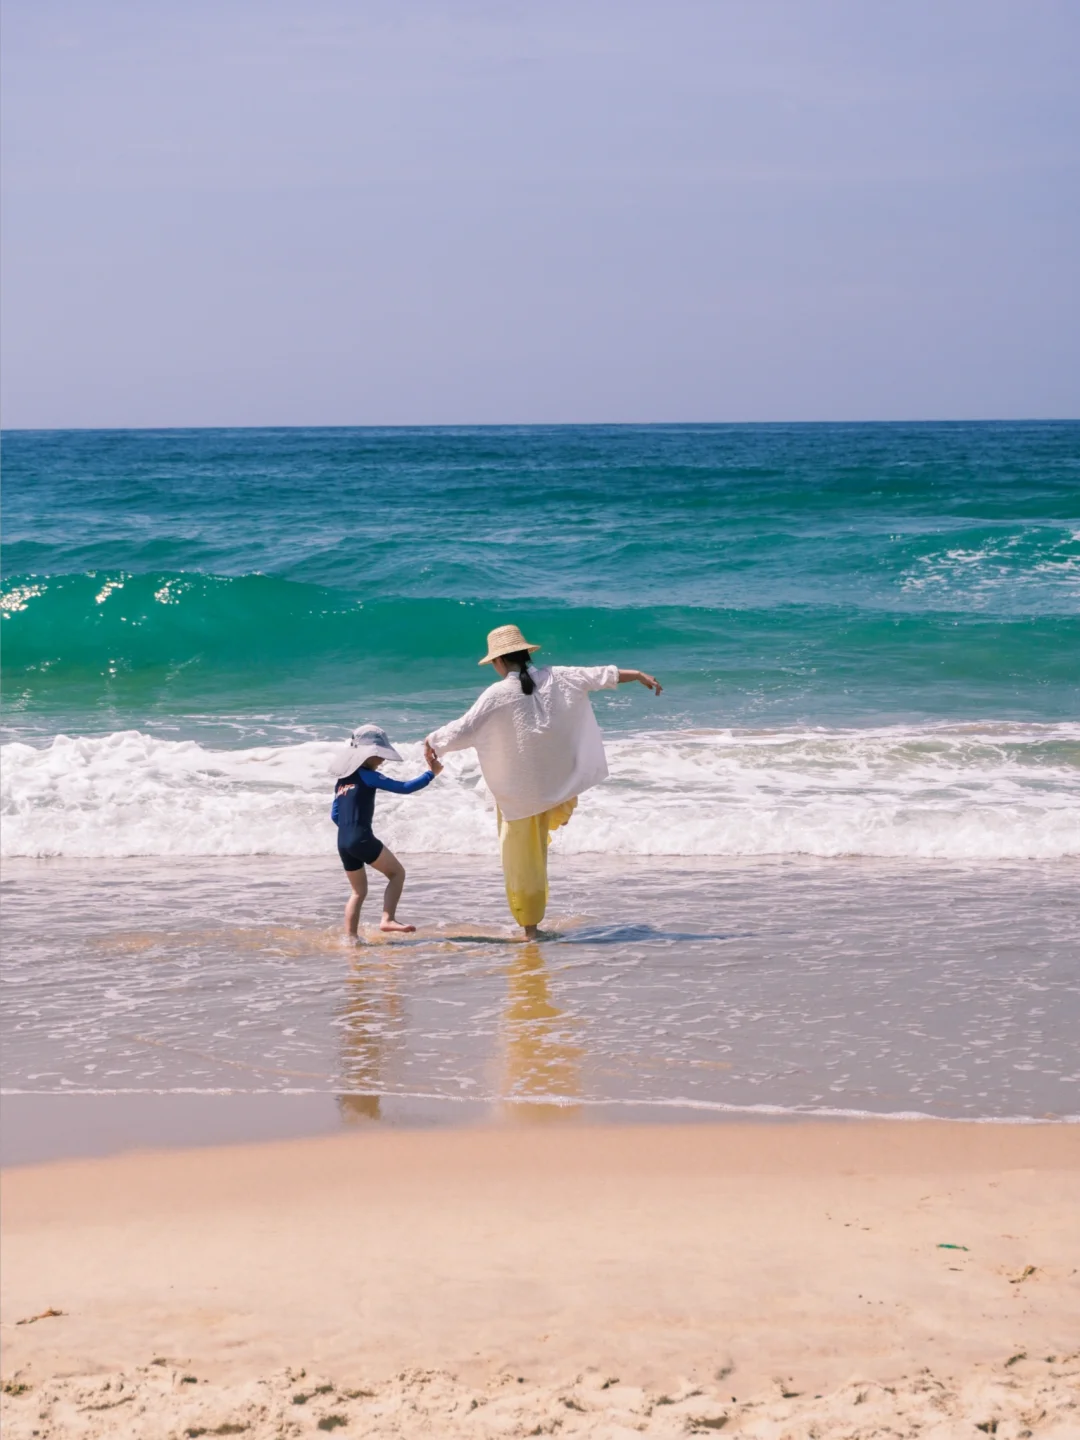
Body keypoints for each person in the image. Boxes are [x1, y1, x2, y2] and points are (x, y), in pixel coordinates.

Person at [424, 624, 661, 939]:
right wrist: (640, 674)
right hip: (556, 786)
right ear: (525, 653)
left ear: (497, 661)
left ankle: (530, 931)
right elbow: (603, 675)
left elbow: (463, 729)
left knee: (521, 861)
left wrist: (431, 743)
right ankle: (533, 926)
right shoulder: (559, 676)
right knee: (535, 853)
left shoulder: (495, 694)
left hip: (518, 795)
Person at [330, 723, 441, 937]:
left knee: (357, 892)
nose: (381, 760)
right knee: (397, 873)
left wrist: (350, 831)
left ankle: (351, 939)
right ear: (366, 755)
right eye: (378, 755)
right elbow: (404, 788)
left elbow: (335, 815)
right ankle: (387, 919)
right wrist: (431, 774)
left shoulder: (342, 781)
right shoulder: (367, 775)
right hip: (360, 839)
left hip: (343, 842)